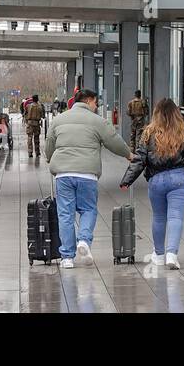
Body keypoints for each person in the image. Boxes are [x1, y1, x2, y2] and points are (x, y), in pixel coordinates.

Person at [45, 88, 133, 269]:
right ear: (88, 101)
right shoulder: (97, 121)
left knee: (65, 214)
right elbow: (113, 140)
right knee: (88, 209)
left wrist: (50, 158)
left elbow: (49, 143)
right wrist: (128, 155)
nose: (96, 107)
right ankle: (83, 240)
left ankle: (67, 258)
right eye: (95, 103)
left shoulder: (59, 119)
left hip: (63, 174)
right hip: (87, 174)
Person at [120, 98, 184, 270]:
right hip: (179, 178)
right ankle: (172, 254)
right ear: (175, 113)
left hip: (157, 180)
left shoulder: (148, 132)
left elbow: (140, 158)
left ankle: (158, 255)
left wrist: (127, 180)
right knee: (175, 216)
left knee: (159, 217)